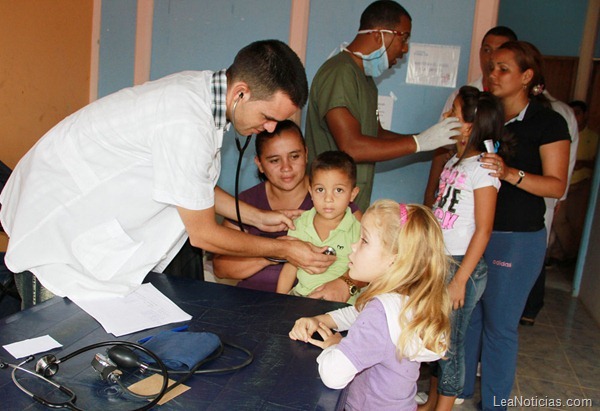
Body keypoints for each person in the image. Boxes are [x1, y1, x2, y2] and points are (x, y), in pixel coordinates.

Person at [0, 40, 336, 305]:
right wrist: (283, 248)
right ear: (241, 93)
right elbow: (203, 235)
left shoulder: (201, 92)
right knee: (57, 349)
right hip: (58, 226)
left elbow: (189, 183)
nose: (270, 127)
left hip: (74, 209)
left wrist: (259, 218)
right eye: (267, 116)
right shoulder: (186, 121)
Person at [467, 41, 570, 410]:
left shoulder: (547, 121)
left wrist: (510, 173)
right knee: (469, 318)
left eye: (503, 69)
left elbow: (557, 184)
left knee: (499, 326)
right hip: (476, 233)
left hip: (516, 239)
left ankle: (494, 405)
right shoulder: (485, 116)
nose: (492, 74)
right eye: (491, 66)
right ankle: (459, 393)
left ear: (527, 77)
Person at [289, 201, 450, 411]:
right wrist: (320, 320)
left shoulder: (380, 315)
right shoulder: (404, 300)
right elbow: (356, 314)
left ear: (394, 261)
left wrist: (335, 347)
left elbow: (333, 375)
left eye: (364, 240)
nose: (353, 246)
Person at [305, 0, 461, 211]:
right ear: (379, 34)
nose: (405, 49)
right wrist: (419, 143)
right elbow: (352, 146)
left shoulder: (366, 80)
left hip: (350, 206)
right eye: (403, 38)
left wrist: (429, 139)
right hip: (329, 207)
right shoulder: (340, 73)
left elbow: (375, 135)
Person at [422, 86, 507, 410]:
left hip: (461, 268)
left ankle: (443, 406)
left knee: (451, 345)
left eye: (453, 113)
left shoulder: (483, 169)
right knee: (434, 338)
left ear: (470, 126)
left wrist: (459, 280)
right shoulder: (454, 161)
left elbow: (484, 230)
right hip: (441, 262)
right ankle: (431, 403)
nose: (446, 117)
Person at [212, 120, 362, 297]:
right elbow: (220, 268)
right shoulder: (245, 204)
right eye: (274, 160)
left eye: (294, 156)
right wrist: (277, 252)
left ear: (306, 154)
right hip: (249, 301)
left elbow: (372, 265)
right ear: (259, 163)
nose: (286, 168)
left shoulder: (338, 204)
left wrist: (344, 284)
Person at [424, 26, 518, 208]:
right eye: (487, 50)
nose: (491, 57)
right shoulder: (461, 97)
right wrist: (429, 196)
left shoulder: (483, 171)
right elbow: (442, 147)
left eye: (499, 51)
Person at [276, 151, 361, 302]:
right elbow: (290, 267)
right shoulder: (300, 223)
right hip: (302, 297)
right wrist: (278, 301)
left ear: (352, 194)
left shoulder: (359, 231)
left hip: (340, 304)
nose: (328, 199)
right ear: (311, 192)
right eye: (320, 190)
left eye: (339, 190)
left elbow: (363, 271)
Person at [547, 100, 598, 265]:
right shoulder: (565, 132)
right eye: (573, 113)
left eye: (578, 113)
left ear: (585, 116)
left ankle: (572, 255)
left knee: (572, 222)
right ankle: (557, 255)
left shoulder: (593, 137)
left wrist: (583, 163)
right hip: (566, 184)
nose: (575, 117)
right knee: (558, 221)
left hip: (581, 183)